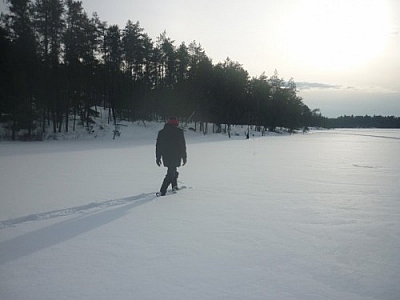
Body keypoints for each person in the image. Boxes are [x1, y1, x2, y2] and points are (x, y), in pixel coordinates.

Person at [156, 117, 187, 196]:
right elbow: (182, 145)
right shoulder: (179, 132)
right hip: (176, 155)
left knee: (172, 170)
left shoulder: (162, 132)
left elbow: (158, 146)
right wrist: (184, 157)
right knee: (171, 173)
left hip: (166, 156)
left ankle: (174, 186)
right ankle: (162, 190)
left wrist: (158, 157)